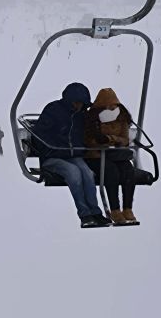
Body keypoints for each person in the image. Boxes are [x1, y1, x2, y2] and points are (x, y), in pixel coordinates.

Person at [32, 82, 109, 228]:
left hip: (72, 156)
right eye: (76, 103)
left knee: (87, 173)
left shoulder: (80, 115)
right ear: (69, 100)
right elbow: (39, 134)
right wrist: (51, 149)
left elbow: (90, 129)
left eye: (82, 104)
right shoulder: (53, 110)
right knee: (73, 173)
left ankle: (96, 213)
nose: (79, 107)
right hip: (52, 157)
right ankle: (85, 215)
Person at [84, 88, 138, 225]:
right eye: (108, 105)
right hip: (96, 156)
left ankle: (127, 208)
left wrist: (109, 138)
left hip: (115, 154)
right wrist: (113, 140)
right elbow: (90, 141)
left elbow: (125, 139)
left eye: (114, 105)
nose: (112, 108)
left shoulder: (122, 118)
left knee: (128, 170)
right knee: (111, 171)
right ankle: (114, 209)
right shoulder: (92, 119)